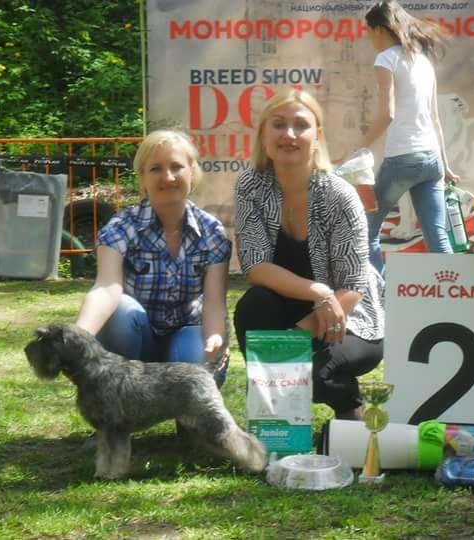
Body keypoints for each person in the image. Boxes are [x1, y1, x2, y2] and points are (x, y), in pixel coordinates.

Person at [233, 88, 385, 420]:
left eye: (300, 125)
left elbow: (353, 285)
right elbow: (255, 266)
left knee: (309, 373)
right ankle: (275, 421)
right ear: (263, 134)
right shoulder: (249, 185)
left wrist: (298, 337)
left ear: (317, 136)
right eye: (278, 124)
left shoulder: (340, 195)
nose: (289, 134)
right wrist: (318, 292)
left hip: (349, 314)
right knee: (253, 305)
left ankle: (349, 405)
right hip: (304, 303)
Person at [75, 129, 231, 387]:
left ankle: (183, 400)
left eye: (176, 167)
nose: (167, 177)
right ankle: (123, 395)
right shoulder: (121, 226)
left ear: (192, 172)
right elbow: (106, 287)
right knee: (121, 312)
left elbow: (214, 303)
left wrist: (214, 336)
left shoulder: (212, 231)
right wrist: (78, 335)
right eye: (156, 168)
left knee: (194, 357)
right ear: (143, 177)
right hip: (136, 336)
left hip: (186, 331)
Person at [362, 0, 460, 273]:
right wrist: (446, 166)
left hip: (402, 159)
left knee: (368, 232)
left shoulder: (386, 58)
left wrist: (357, 148)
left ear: (379, 29)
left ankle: (377, 291)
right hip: (432, 161)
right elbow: (435, 119)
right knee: (437, 237)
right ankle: (453, 292)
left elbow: (387, 114)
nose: (369, 39)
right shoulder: (424, 62)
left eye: (368, 32)